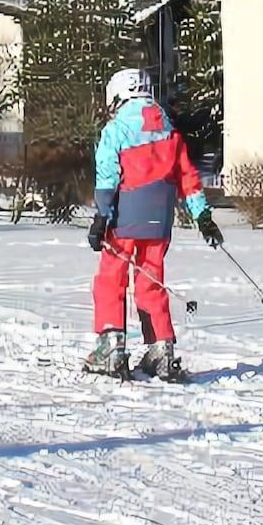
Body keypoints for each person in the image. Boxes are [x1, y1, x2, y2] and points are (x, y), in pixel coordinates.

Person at [84, 68, 223, 380]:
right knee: (151, 281)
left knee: (111, 279)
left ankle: (111, 347)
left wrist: (100, 217)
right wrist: (203, 217)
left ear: (118, 96)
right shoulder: (170, 133)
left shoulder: (116, 130)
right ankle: (161, 348)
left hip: (123, 220)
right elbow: (188, 177)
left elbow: (108, 177)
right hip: (159, 221)